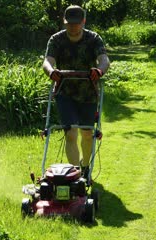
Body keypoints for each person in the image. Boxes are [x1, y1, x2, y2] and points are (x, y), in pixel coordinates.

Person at [42, 5, 110, 174]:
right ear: (64, 22)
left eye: (76, 23)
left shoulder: (93, 39)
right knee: (70, 133)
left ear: (83, 22)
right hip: (65, 93)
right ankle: (76, 173)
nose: (72, 26)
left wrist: (99, 70)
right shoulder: (56, 39)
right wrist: (52, 72)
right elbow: (47, 61)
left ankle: (85, 166)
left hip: (88, 92)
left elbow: (104, 60)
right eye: (69, 23)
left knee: (87, 134)